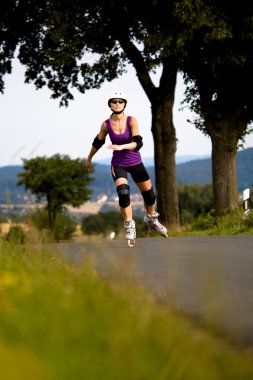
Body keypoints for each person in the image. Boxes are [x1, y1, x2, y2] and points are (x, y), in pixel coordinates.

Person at [86, 90, 167, 240]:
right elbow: (98, 142)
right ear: (110, 104)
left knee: (150, 196)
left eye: (120, 101)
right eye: (114, 101)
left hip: (135, 162)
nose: (117, 104)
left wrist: (122, 146)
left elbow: (138, 143)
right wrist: (89, 158)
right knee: (123, 194)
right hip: (118, 164)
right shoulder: (106, 124)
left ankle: (151, 219)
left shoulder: (131, 120)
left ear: (125, 104)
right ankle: (129, 225)